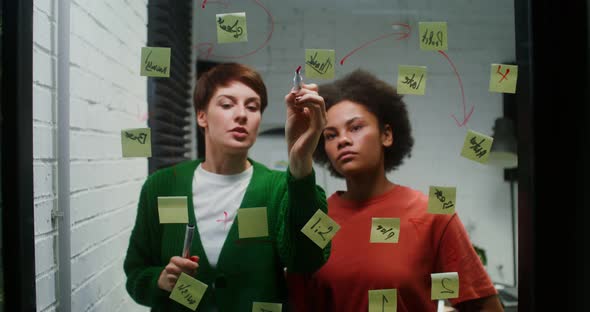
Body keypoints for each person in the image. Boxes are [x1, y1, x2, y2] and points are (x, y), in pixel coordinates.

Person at [288, 69, 503, 311]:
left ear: (387, 135)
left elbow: (483, 306)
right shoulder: (319, 221)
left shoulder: (430, 215)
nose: (343, 140)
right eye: (330, 135)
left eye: (356, 127)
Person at [124, 63, 329, 311]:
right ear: (202, 116)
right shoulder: (162, 185)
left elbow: (310, 258)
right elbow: (135, 272)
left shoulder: (280, 187)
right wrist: (160, 281)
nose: (242, 114)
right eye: (227, 104)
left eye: (252, 107)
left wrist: (300, 164)